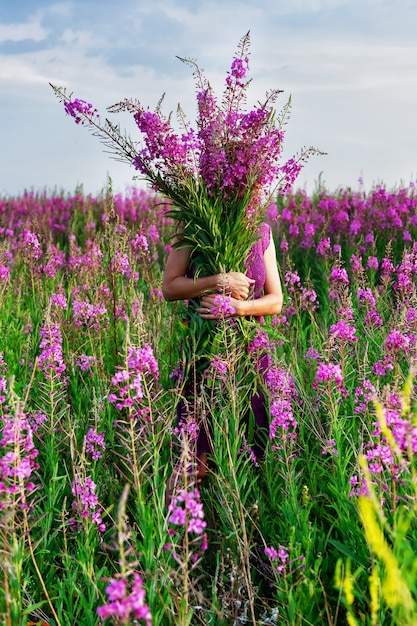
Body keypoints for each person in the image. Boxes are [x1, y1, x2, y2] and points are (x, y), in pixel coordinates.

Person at [162, 221, 283, 487]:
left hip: (250, 359)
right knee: (194, 465)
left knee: (247, 458)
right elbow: (169, 287)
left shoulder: (261, 230)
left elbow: (275, 300)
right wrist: (218, 282)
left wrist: (238, 307)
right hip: (205, 353)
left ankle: (232, 525)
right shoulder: (192, 223)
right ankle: (171, 526)